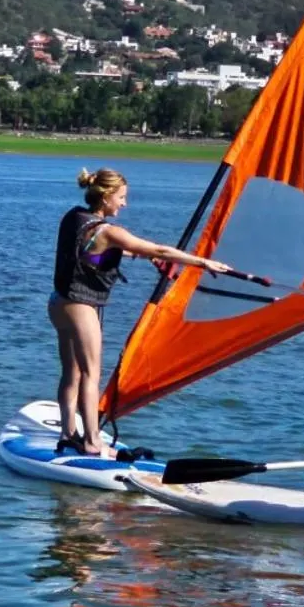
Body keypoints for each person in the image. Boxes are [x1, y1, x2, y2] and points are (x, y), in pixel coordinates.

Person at [49, 166, 233, 457]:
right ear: (107, 196)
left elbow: (95, 250)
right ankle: (92, 442)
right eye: (121, 197)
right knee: (90, 373)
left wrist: (141, 256)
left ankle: (68, 434)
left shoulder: (74, 217)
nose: (124, 203)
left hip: (58, 303)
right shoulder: (110, 231)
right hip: (81, 306)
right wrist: (202, 262)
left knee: (71, 372)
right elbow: (158, 249)